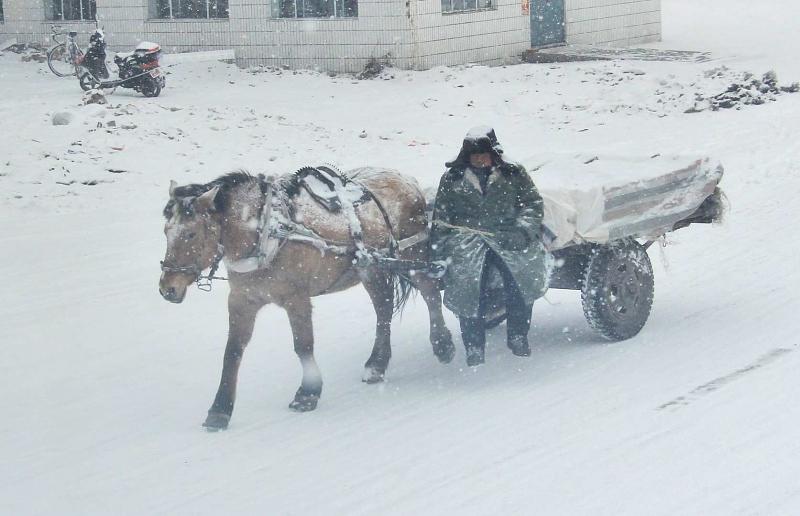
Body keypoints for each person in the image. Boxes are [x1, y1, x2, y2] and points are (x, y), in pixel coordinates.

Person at [430, 126, 549, 366]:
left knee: (520, 281)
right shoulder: (452, 179)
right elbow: (441, 218)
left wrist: (522, 231)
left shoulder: (513, 173)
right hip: (467, 240)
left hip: (508, 236)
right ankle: (474, 346)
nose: (479, 159)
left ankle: (518, 336)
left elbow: (532, 203)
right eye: (474, 155)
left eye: (483, 154)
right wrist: (439, 252)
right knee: (468, 289)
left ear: (494, 153)